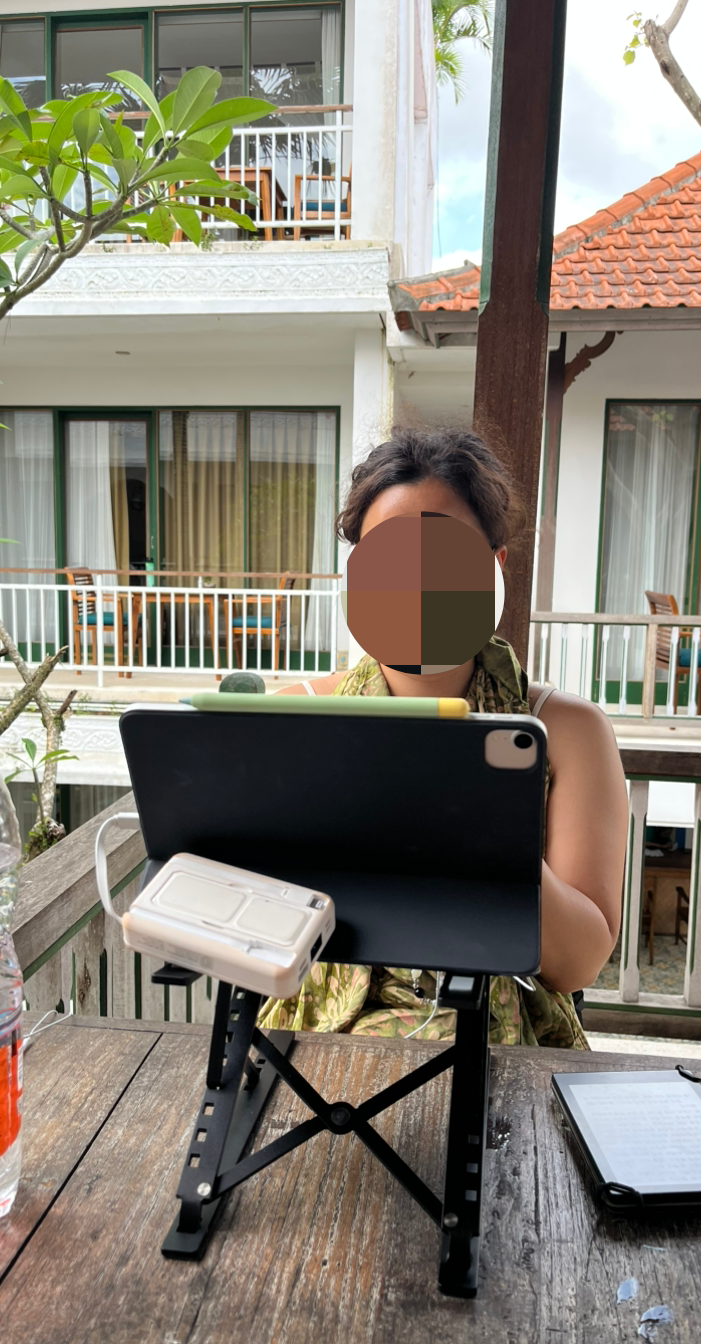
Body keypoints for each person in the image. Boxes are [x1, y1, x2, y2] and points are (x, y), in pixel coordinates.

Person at [257, 426, 628, 1049]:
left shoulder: (567, 731)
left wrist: (481, 826)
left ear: (494, 568)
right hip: (315, 1048)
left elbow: (580, 962)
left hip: (501, 1047)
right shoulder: (292, 717)